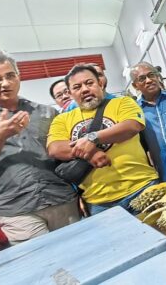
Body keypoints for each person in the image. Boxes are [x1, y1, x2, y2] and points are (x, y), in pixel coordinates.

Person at [0, 49, 79, 245]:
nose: (5, 83)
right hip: (16, 211)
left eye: (10, 75)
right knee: (45, 270)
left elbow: (64, 153)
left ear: (19, 76)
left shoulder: (47, 112)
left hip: (62, 199)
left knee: (81, 256)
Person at [47, 64, 159, 215]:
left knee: (161, 236)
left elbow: (132, 126)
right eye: (77, 87)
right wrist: (91, 153)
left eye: (89, 83)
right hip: (99, 202)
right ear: (71, 93)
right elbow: (55, 148)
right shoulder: (62, 119)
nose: (85, 89)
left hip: (141, 187)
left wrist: (93, 138)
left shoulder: (122, 102)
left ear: (100, 84)